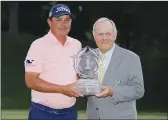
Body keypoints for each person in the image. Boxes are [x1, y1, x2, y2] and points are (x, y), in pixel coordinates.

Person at [24, 4, 83, 120]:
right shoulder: (38, 45)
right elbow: (30, 81)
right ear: (49, 22)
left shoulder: (77, 45)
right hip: (42, 113)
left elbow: (77, 74)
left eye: (67, 20)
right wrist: (63, 89)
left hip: (69, 113)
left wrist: (85, 84)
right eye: (58, 20)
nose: (64, 24)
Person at [86, 17, 145, 119]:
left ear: (114, 35)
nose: (104, 38)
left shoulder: (131, 58)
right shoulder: (87, 57)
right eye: (100, 34)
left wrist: (113, 91)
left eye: (108, 34)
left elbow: (138, 90)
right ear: (94, 36)